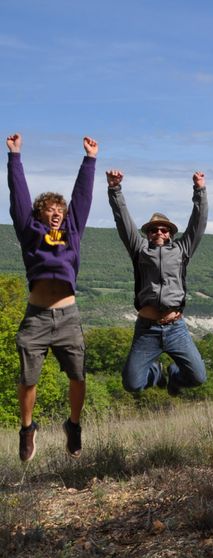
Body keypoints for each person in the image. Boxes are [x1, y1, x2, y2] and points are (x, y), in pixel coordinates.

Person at [7, 132, 97, 461]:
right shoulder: (30, 233)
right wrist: (14, 156)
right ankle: (27, 429)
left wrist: (89, 160)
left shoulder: (72, 231)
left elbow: (82, 198)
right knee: (28, 378)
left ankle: (73, 425)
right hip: (37, 315)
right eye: (49, 208)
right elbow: (18, 198)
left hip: (68, 317)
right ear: (40, 214)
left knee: (78, 376)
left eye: (60, 208)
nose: (56, 212)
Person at [107, 168, 208, 395]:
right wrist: (115, 189)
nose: (159, 232)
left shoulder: (182, 249)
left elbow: (198, 224)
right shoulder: (140, 249)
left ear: (170, 233)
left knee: (198, 377)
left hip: (175, 327)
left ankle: (173, 374)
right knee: (132, 384)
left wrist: (200, 191)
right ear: (148, 234)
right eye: (154, 230)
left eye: (164, 229)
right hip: (147, 329)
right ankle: (154, 372)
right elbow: (123, 222)